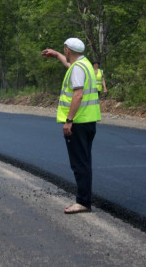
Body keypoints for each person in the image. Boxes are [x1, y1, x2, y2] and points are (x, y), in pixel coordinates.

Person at [41, 38, 101, 214]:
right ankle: (84, 199)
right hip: (89, 120)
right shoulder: (85, 64)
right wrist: (57, 55)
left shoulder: (77, 68)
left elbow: (78, 95)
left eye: (63, 49)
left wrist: (69, 120)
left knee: (79, 163)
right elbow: (70, 66)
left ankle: (83, 202)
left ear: (68, 49)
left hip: (78, 123)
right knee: (85, 160)